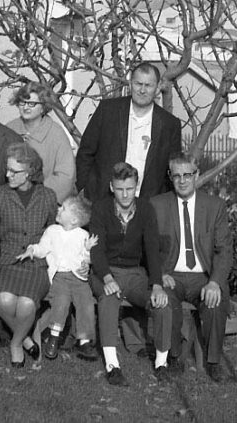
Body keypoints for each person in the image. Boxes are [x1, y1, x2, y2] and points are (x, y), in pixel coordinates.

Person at [150, 154, 233, 383]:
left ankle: (213, 361)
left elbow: (224, 250)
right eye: (177, 175)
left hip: (203, 276)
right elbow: (149, 248)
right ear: (170, 177)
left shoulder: (214, 206)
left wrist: (215, 282)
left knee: (216, 301)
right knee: (165, 301)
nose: (183, 180)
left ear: (196, 175)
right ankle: (175, 358)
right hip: (171, 275)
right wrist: (160, 275)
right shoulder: (157, 205)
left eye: (187, 174)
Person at [89, 162, 165, 386]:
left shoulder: (146, 209)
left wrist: (157, 284)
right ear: (112, 187)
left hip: (134, 273)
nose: (125, 194)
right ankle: (113, 366)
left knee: (160, 301)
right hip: (105, 271)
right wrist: (107, 278)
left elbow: (152, 248)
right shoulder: (101, 208)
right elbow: (97, 249)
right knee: (109, 297)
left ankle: (162, 363)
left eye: (130, 189)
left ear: (136, 187)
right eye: (120, 189)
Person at [0, 143, 58, 367]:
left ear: (29, 172)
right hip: (8, 260)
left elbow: (53, 231)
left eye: (14, 171)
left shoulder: (48, 196)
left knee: (27, 304)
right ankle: (26, 339)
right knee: (4, 300)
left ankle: (16, 343)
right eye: (7, 169)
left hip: (36, 262)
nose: (8, 174)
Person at [76, 62, 182, 201]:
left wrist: (164, 203)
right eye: (138, 84)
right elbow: (85, 152)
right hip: (103, 200)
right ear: (131, 84)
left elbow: (172, 169)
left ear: (157, 88)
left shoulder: (169, 124)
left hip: (146, 205)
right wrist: (84, 188)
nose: (142, 90)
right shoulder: (107, 111)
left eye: (148, 85)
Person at [18, 195, 99, 362]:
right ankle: (54, 336)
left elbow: (86, 258)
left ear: (74, 220)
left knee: (87, 303)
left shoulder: (83, 235)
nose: (58, 209)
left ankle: (84, 341)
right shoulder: (52, 231)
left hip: (79, 278)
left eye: (63, 209)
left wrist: (87, 254)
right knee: (61, 302)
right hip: (59, 277)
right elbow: (43, 248)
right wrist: (32, 250)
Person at [7, 81, 76, 202]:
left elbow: (66, 176)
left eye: (32, 103)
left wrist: (39, 197)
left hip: (44, 203)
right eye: (22, 102)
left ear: (43, 107)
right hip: (10, 201)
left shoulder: (56, 133)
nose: (26, 107)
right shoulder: (9, 129)